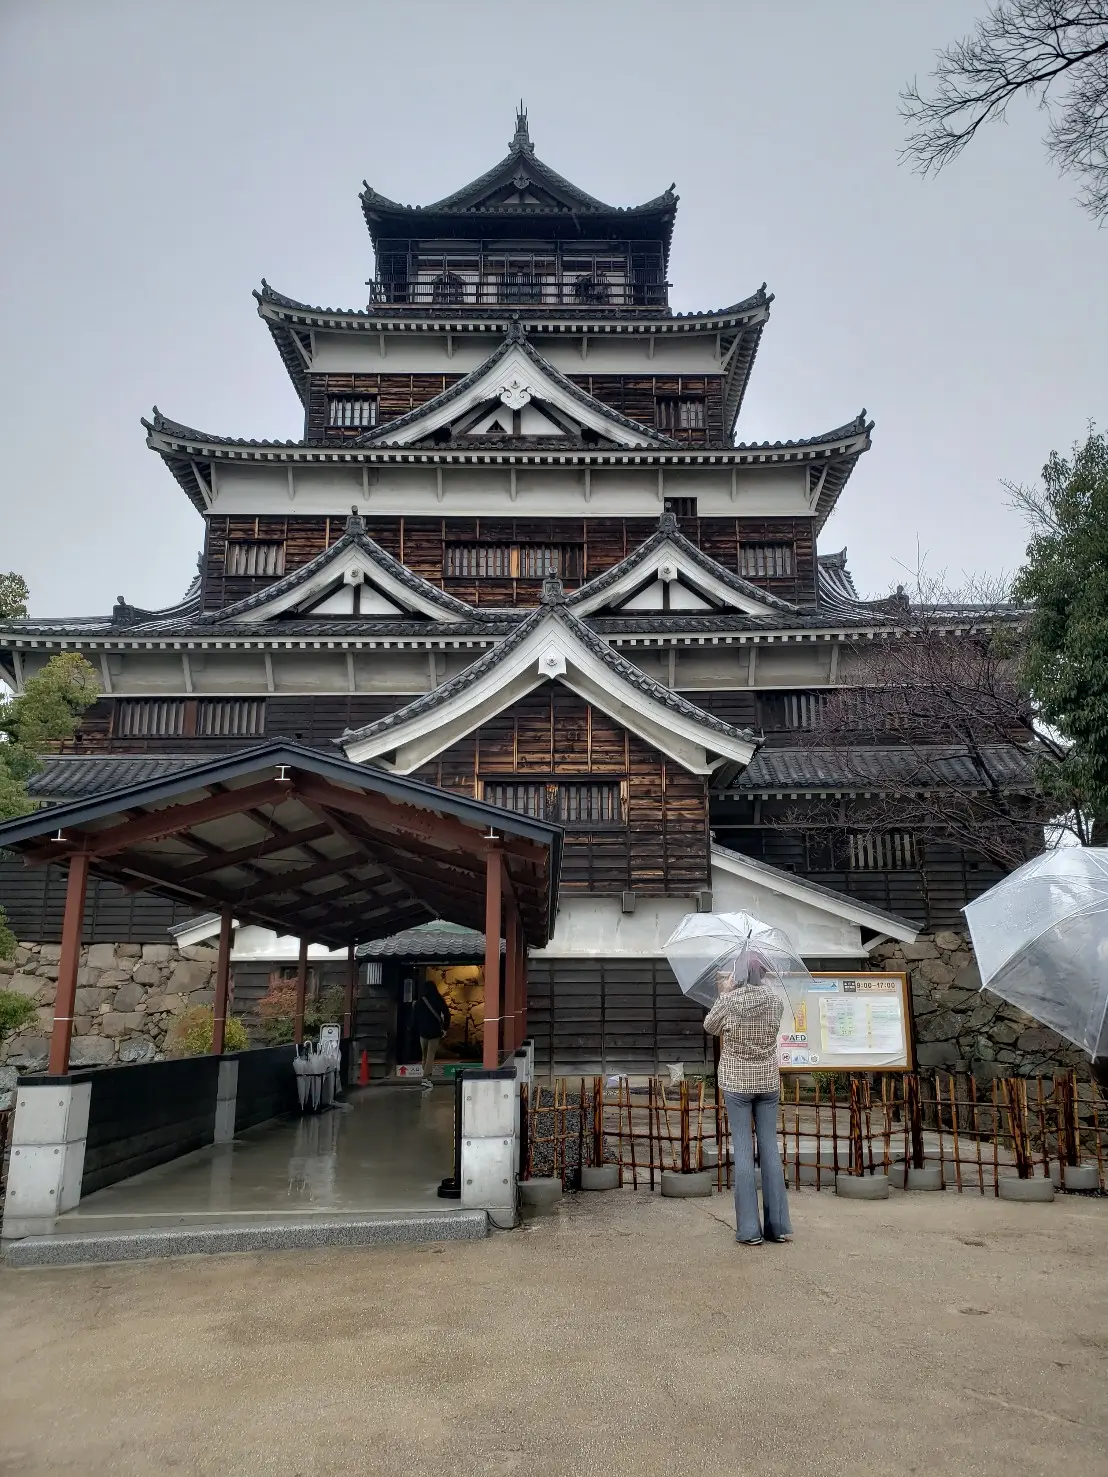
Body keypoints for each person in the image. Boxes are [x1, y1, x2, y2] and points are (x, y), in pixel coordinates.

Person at [703, 954, 793, 1246]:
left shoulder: (730, 1001)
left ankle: (749, 1231)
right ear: (762, 974)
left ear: (738, 975)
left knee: (742, 1151)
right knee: (769, 1149)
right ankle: (777, 1226)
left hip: (737, 1082)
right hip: (767, 1080)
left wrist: (726, 992)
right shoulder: (774, 1001)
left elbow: (710, 1026)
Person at [415, 978, 451, 1091]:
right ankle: (426, 1078)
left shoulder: (420, 1001)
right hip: (435, 1031)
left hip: (423, 1032)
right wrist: (445, 1028)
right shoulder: (438, 999)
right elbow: (447, 1013)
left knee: (424, 1055)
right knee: (431, 1055)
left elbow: (415, 1016)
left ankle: (425, 1076)